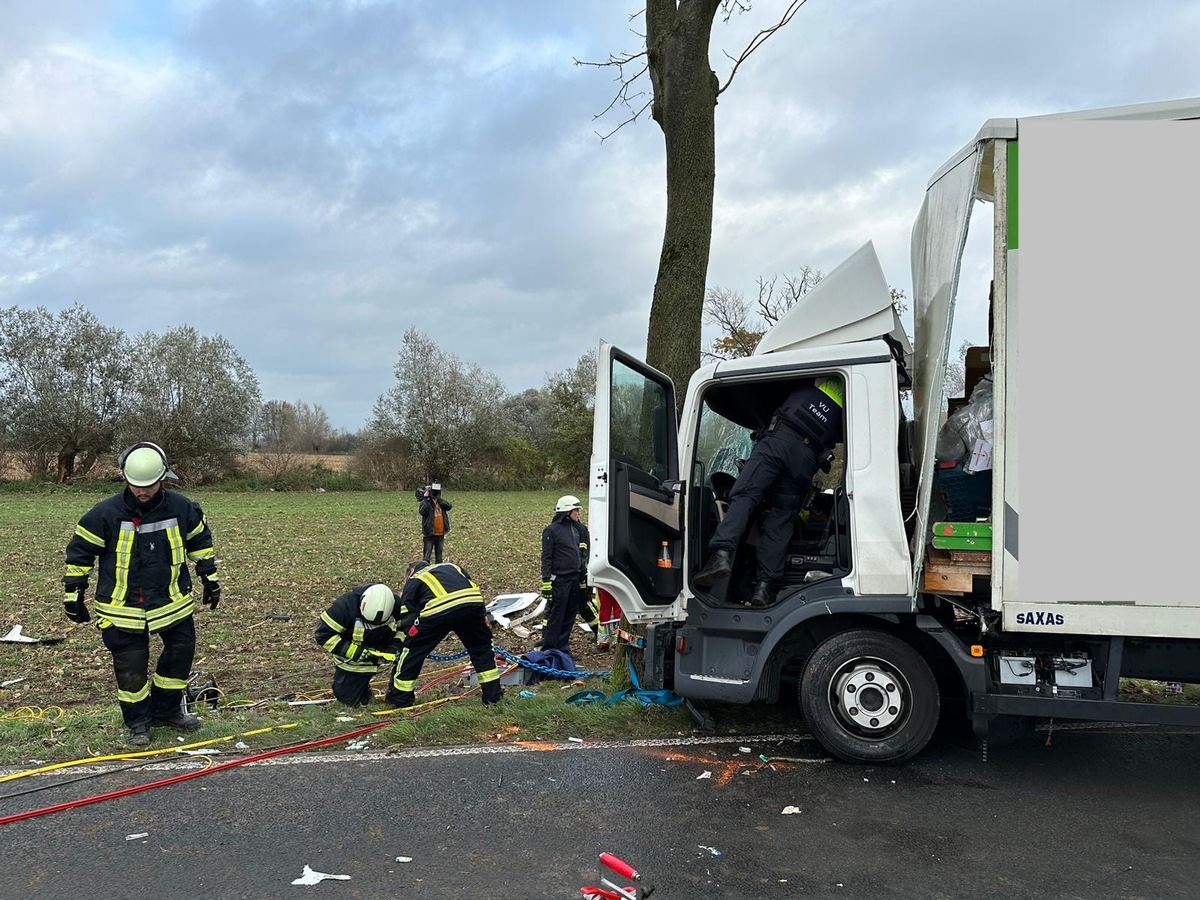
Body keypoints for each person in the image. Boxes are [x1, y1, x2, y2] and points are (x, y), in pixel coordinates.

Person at [62, 441, 221, 747]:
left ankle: (166, 711)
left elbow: (200, 542)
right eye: (136, 485)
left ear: (164, 478)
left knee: (179, 656)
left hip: (172, 603)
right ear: (126, 479)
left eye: (148, 485)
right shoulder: (104, 514)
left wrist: (210, 578)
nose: (142, 491)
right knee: (131, 670)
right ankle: (138, 724)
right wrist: (73, 592)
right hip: (122, 608)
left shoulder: (182, 508)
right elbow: (80, 553)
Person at [693, 376, 845, 607]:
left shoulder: (820, 375)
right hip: (805, 460)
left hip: (779, 440)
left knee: (745, 495)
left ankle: (721, 555)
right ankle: (764, 588)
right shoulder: (849, 391)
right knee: (781, 519)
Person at [385, 560, 502, 708]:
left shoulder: (414, 579)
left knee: (413, 653)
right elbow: (469, 584)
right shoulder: (452, 566)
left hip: (437, 611)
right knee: (482, 650)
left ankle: (400, 699)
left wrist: (406, 640)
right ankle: (493, 697)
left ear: (410, 572)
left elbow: (408, 615)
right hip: (472, 603)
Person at [314, 583, 403, 707]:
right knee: (350, 702)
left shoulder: (397, 605)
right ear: (362, 604)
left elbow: (405, 629)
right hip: (353, 663)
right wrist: (351, 651)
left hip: (383, 650)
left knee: (408, 663)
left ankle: (398, 698)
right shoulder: (344, 607)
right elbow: (323, 634)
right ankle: (363, 693)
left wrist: (395, 647)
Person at [539, 495, 590, 653]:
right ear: (567, 512)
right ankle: (550, 649)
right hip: (559, 581)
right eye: (576, 511)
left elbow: (579, 554)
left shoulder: (575, 530)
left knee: (569, 615)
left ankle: (563, 648)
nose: (578, 514)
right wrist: (546, 582)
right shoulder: (551, 531)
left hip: (574, 579)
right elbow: (546, 558)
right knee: (556, 616)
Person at [417, 483, 452, 563]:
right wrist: (426, 499)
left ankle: (438, 571)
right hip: (429, 533)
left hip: (440, 533)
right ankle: (425, 570)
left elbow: (449, 506)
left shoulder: (440, 502)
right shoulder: (426, 502)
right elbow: (422, 512)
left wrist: (439, 499)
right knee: (427, 556)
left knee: (439, 556)